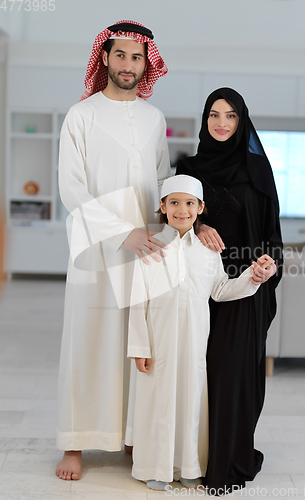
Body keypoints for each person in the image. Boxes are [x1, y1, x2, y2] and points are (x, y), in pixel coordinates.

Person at [55, 20, 170, 481]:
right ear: (104, 57)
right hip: (96, 248)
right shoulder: (80, 116)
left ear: (147, 63)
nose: (128, 65)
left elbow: (160, 184)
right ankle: (75, 443)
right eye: (120, 55)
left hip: (147, 249)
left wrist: (165, 233)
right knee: (88, 341)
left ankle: (129, 432)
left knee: (138, 343)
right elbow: (72, 189)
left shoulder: (153, 118)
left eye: (137, 57)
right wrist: (123, 232)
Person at [127, 174, 270, 491]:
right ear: (163, 207)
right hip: (158, 341)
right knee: (158, 402)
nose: (182, 210)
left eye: (189, 203)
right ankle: (157, 467)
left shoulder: (207, 251)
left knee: (192, 401)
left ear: (201, 207)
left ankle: (189, 464)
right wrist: (140, 346)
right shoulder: (151, 247)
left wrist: (252, 278)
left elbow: (220, 290)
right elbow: (137, 301)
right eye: (174, 203)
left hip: (194, 341)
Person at [176, 88, 283, 495]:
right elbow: (176, 212)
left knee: (230, 370)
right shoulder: (189, 168)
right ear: (204, 119)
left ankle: (228, 462)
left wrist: (269, 265)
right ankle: (193, 457)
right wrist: (198, 226)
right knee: (197, 373)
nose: (221, 123)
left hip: (248, 283)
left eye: (231, 116)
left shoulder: (258, 169)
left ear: (242, 122)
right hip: (198, 282)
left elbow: (273, 234)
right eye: (214, 115)